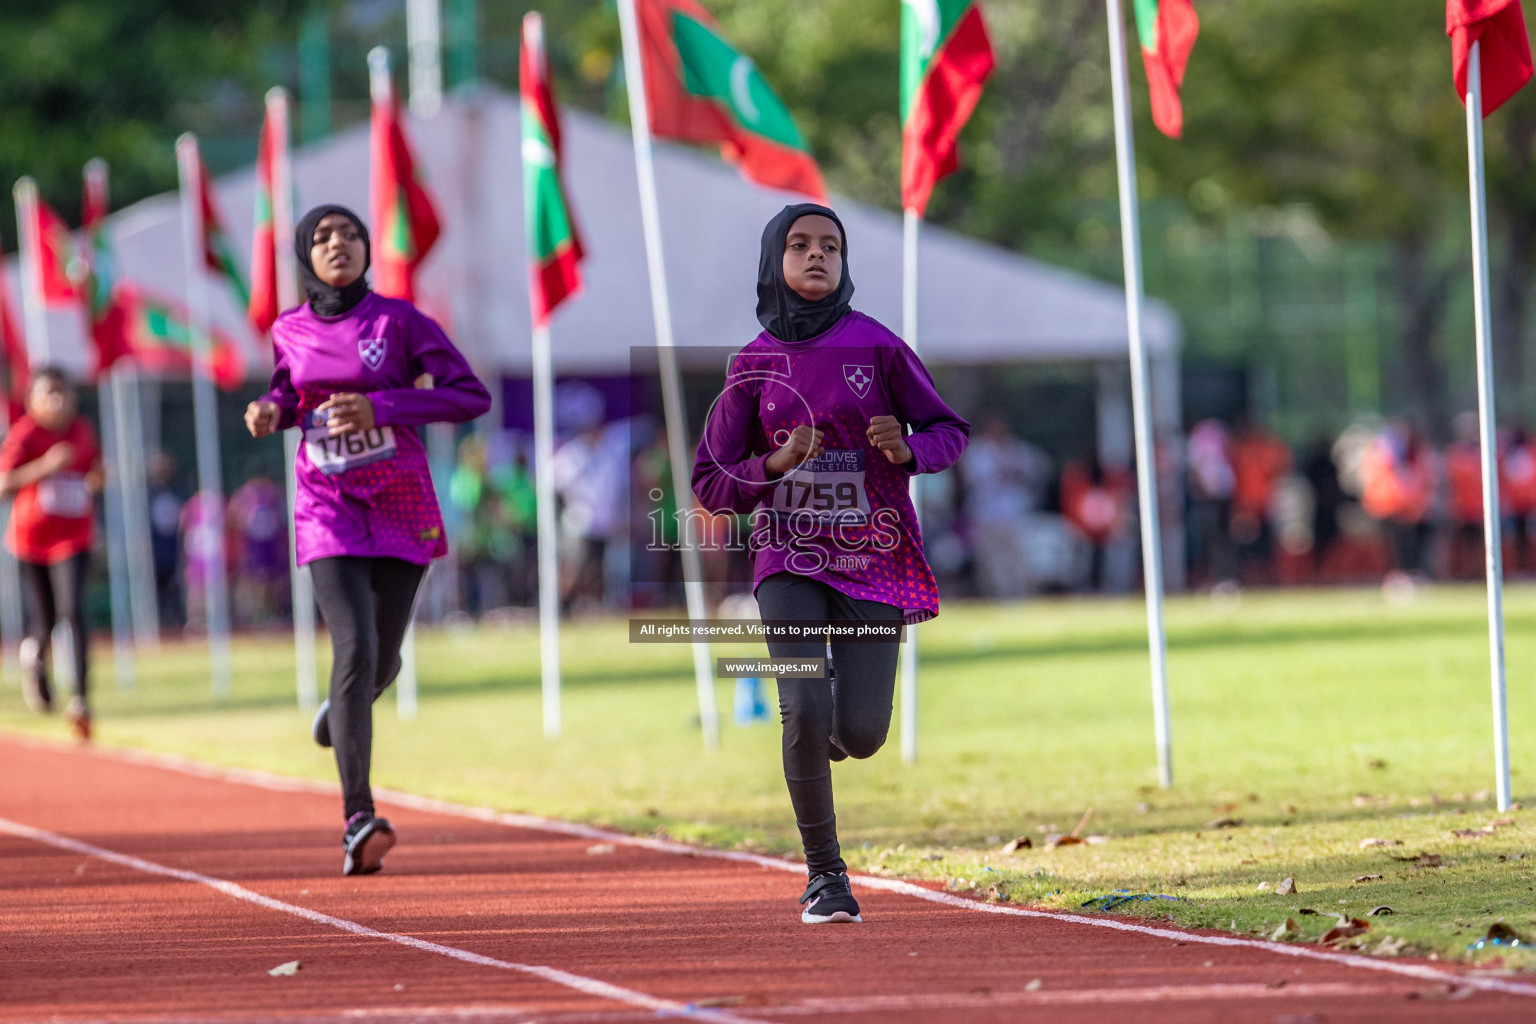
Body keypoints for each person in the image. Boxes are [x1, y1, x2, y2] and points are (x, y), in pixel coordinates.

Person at [693, 203, 969, 924]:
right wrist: (774, 462)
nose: (817, 257)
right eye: (800, 245)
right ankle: (826, 878)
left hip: (873, 553)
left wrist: (908, 448)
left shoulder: (877, 347)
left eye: (831, 247)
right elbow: (709, 482)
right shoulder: (752, 365)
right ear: (773, 261)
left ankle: (831, 728)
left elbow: (948, 429)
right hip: (787, 556)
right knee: (803, 702)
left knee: (864, 732)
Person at [244, 204, 490, 875]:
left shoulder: (399, 321)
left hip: (401, 502)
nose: (338, 245)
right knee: (354, 647)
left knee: (378, 662)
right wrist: (273, 412)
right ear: (305, 255)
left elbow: (470, 397)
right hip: (327, 505)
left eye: (349, 233)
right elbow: (288, 397)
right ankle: (359, 818)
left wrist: (382, 406)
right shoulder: (287, 329)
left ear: (366, 248)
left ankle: (344, 705)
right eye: (322, 237)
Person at [0, 368, 103, 740]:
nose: (58, 402)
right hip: (32, 541)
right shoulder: (25, 434)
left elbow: (93, 472)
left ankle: (81, 701)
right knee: (46, 621)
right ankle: (35, 655)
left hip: (74, 537)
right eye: (49, 394)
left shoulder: (82, 432)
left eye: (64, 393)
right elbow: (3, 484)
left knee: (73, 610)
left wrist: (97, 479)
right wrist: (46, 466)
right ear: (33, 401)